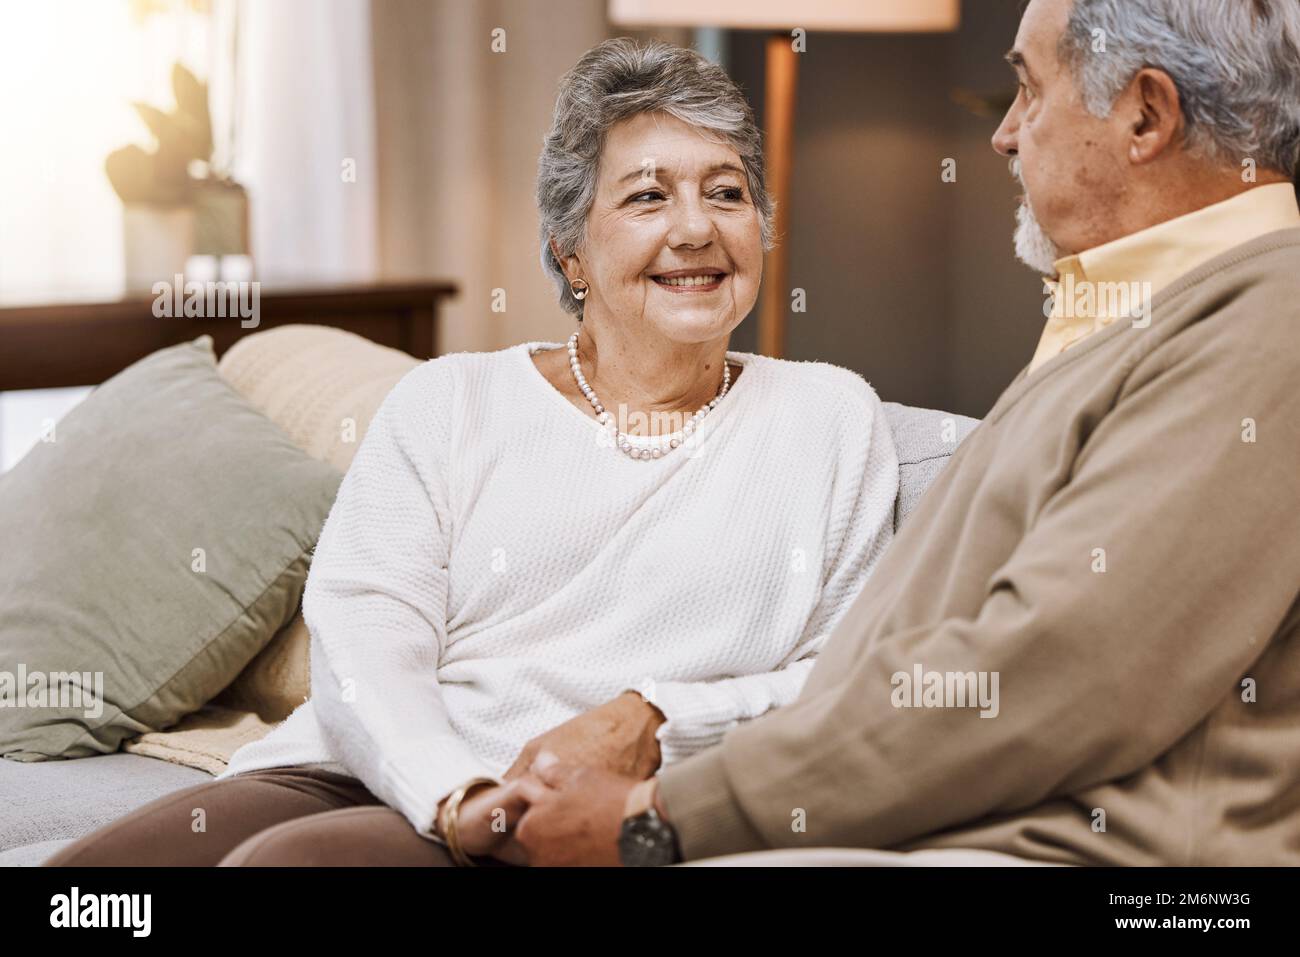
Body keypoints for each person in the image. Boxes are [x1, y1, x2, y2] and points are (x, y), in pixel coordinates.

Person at [45, 38, 899, 867]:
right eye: (646, 197)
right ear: (573, 253)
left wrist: (657, 716)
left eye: (726, 193)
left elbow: (846, 676)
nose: (695, 228)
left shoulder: (829, 417)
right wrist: (452, 790)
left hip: (569, 809)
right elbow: (365, 635)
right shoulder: (450, 400)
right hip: (364, 771)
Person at [506, 0, 1300, 866]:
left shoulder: (1269, 323)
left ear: (1145, 114)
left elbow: (1051, 671)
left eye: (1029, 91)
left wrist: (661, 815)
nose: (1003, 135)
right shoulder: (1139, 312)